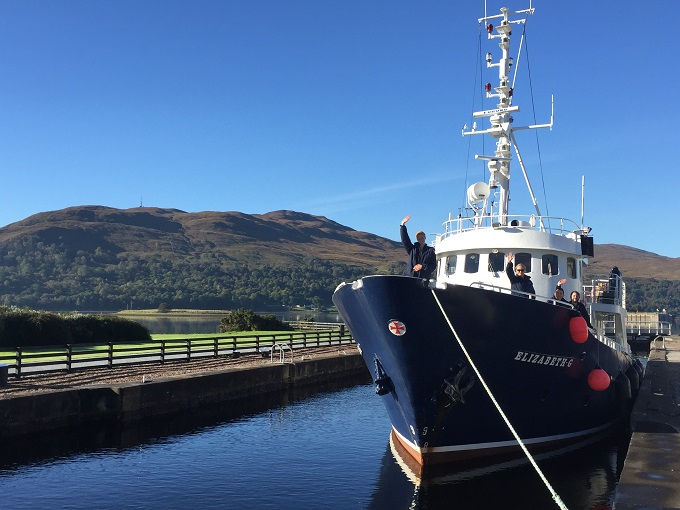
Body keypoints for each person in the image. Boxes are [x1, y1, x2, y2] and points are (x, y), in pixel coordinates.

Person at [400, 215, 435, 279]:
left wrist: (422, 266)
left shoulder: (430, 251)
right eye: (419, 238)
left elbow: (433, 266)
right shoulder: (412, 249)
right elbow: (405, 239)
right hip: (411, 278)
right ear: (417, 239)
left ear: (425, 237)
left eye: (422, 237)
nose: (421, 239)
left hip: (423, 280)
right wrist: (402, 225)